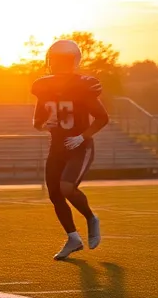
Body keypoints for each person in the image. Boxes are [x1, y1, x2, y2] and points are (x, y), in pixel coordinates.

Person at [32, 39, 109, 261]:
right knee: (55, 194)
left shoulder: (83, 86)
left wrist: (82, 136)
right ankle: (73, 238)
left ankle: (91, 218)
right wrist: (42, 125)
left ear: (72, 62)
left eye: (61, 61)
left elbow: (103, 117)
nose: (57, 65)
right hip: (56, 147)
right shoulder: (43, 86)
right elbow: (37, 120)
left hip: (79, 146)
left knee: (66, 187)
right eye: (55, 60)